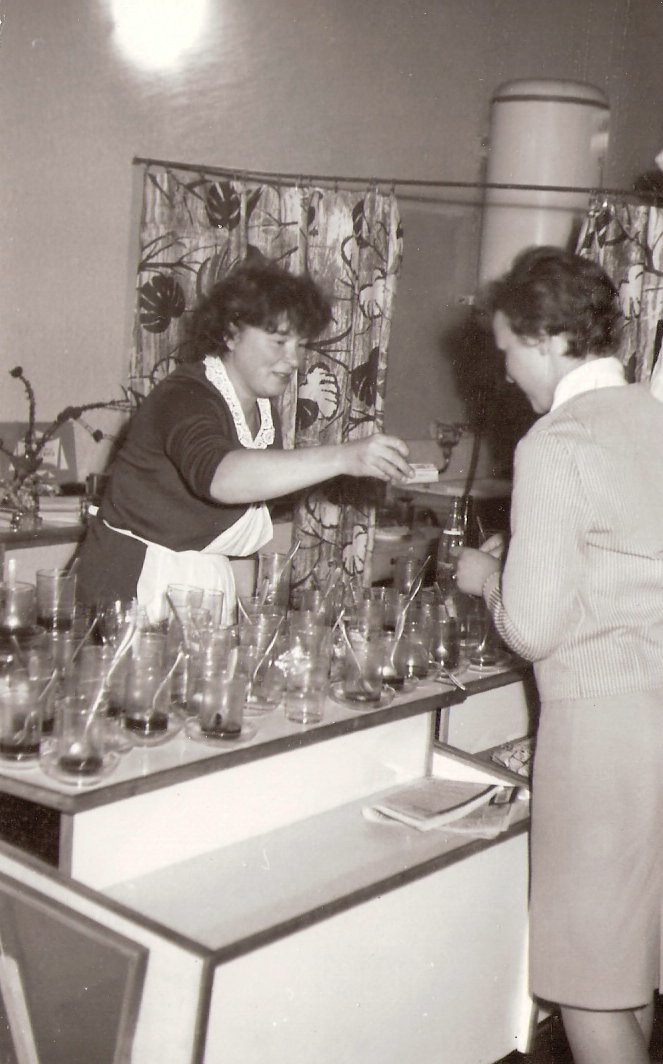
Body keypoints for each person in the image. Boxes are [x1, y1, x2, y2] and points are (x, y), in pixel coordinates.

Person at [454, 245, 663, 1064]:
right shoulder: (652, 415)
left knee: (583, 985)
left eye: (507, 349)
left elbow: (532, 628)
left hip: (602, 731)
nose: (506, 372)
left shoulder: (556, 441)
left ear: (544, 340)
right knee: (627, 969)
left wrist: (484, 578)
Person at [76, 257, 414, 623]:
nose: (294, 360)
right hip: (135, 588)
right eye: (279, 341)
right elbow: (221, 478)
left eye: (301, 345)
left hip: (203, 589)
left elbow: (234, 535)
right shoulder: (184, 395)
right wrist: (344, 458)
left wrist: (250, 622)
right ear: (231, 333)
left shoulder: (262, 411)